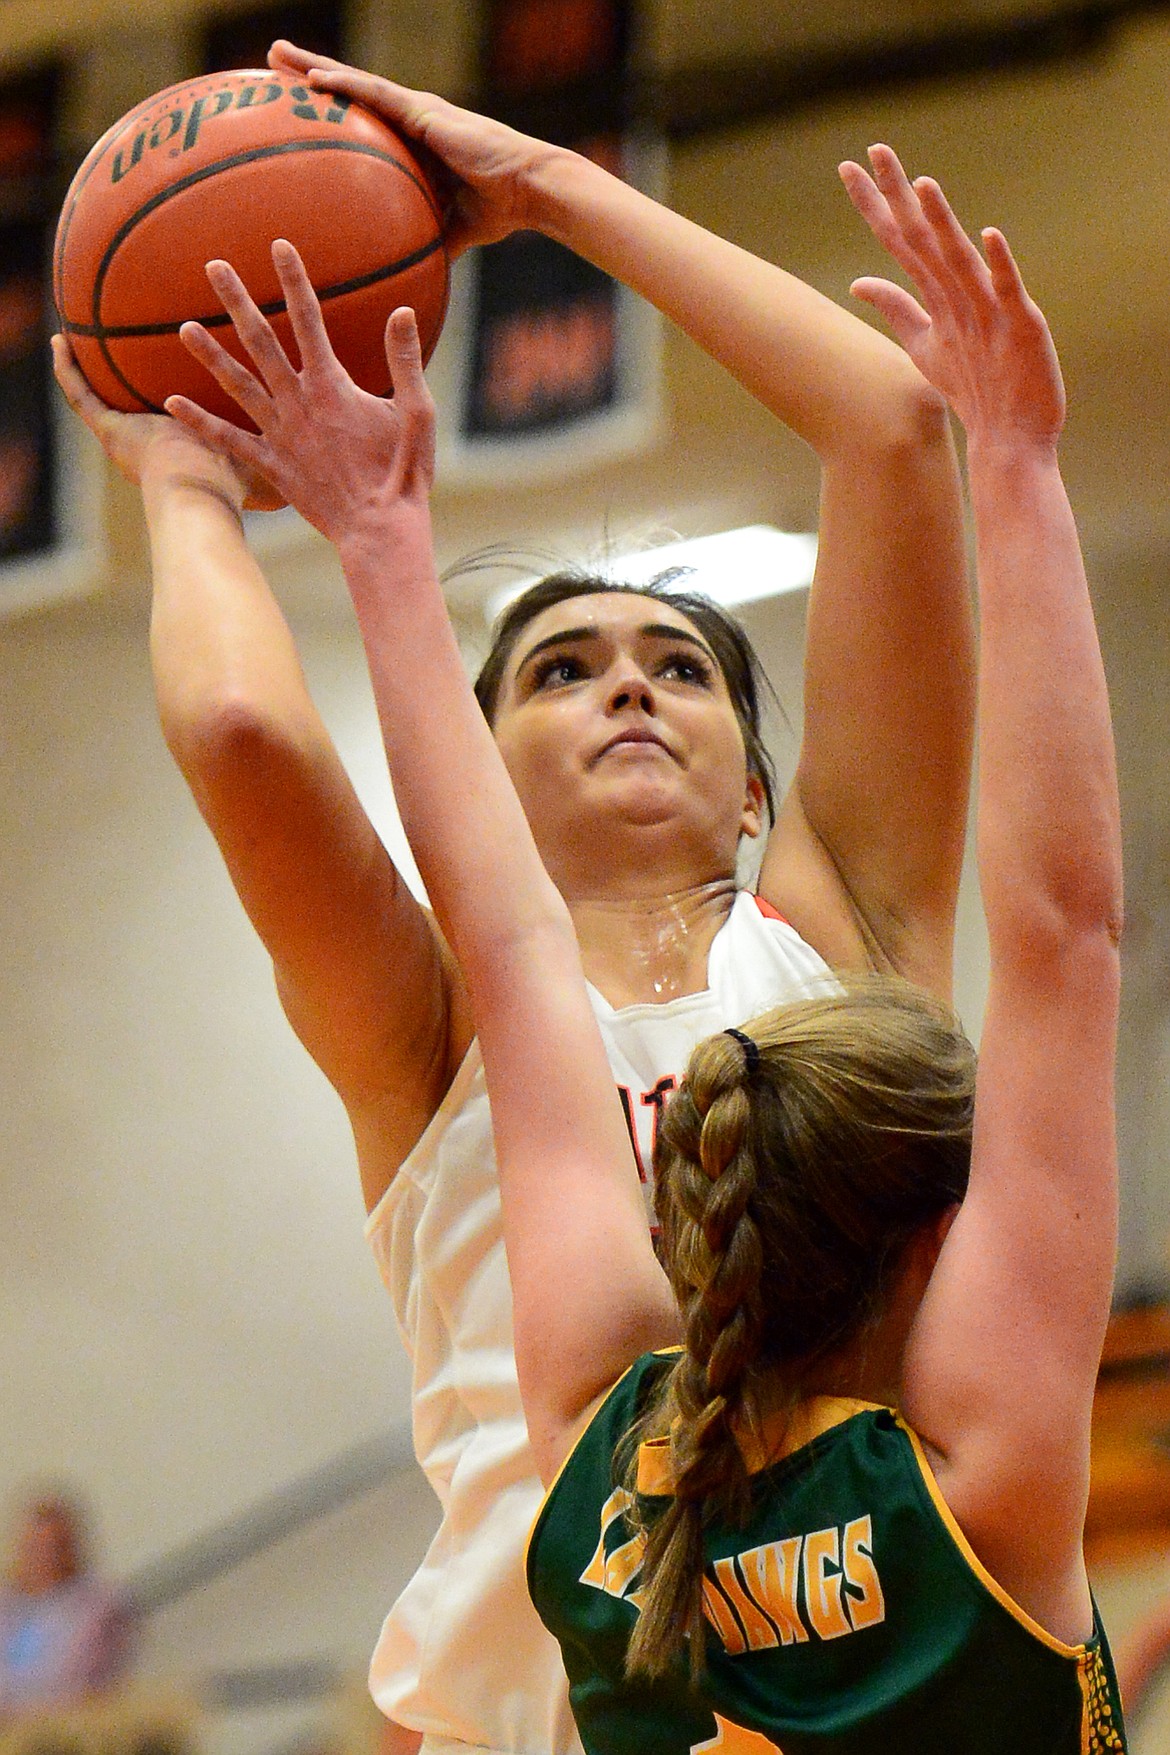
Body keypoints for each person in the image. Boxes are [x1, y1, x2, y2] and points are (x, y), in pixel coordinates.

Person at [148, 135, 1126, 1751]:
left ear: (758, 785)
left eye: (681, 663)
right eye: (558, 670)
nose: (626, 684)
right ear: (478, 779)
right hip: (565, 1687)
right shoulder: (438, 1005)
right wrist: (180, 474)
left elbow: (887, 427)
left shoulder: (828, 942)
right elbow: (248, 730)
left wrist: (531, 195)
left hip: (674, 1628)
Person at [0, 1490, 135, 1720]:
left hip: (57, 1731)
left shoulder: (99, 1608)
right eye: (35, 1547)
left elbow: (80, 1686)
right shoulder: (8, 1604)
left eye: (54, 1547)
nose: (43, 1558)